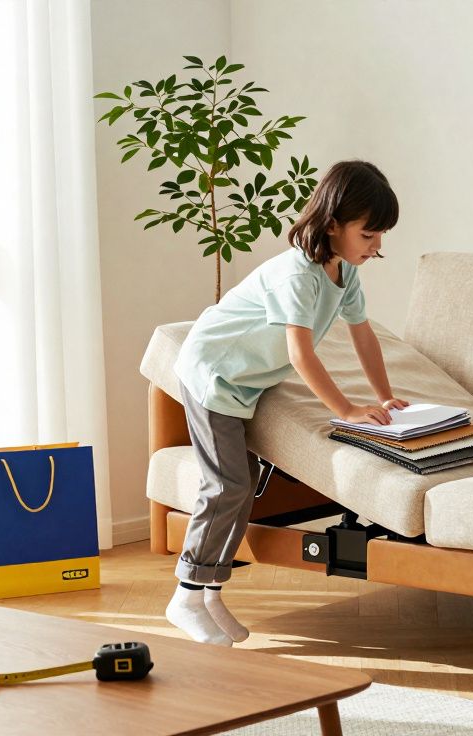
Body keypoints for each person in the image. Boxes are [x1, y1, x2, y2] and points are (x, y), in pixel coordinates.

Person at [166, 160, 408, 645]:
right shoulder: (297, 274)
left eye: (381, 235)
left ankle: (211, 594)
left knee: (245, 485)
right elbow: (299, 352)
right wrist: (346, 409)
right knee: (227, 484)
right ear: (334, 223)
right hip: (214, 373)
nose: (377, 245)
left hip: (248, 381)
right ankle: (186, 595)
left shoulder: (345, 272)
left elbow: (365, 338)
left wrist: (384, 397)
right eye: (369, 234)